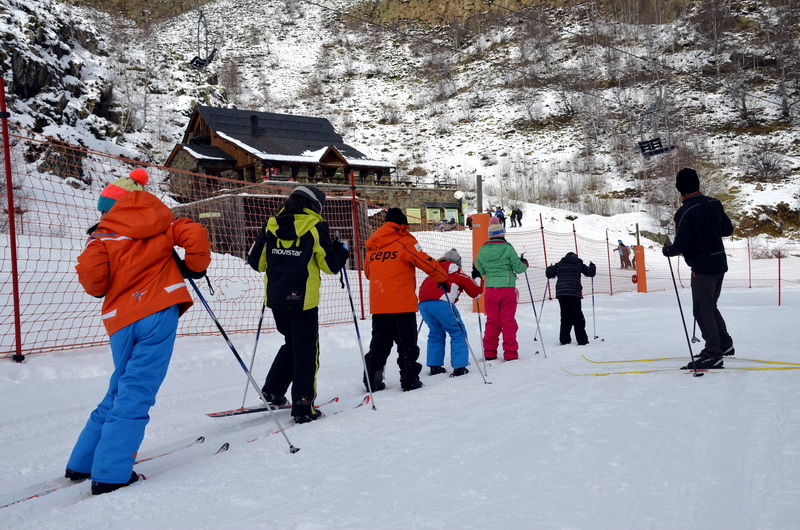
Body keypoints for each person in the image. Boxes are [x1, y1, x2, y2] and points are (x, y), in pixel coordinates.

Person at [65, 169, 212, 495]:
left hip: (121, 320)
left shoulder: (101, 237)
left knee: (121, 387)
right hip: (159, 312)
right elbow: (196, 233)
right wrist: (194, 267)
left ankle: (82, 463)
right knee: (136, 390)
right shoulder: (164, 224)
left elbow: (93, 280)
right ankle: (111, 473)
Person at [247, 186, 349, 423]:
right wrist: (341, 250)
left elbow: (256, 262)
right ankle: (303, 406)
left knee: (292, 343)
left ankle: (273, 390)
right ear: (316, 205)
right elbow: (330, 266)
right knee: (306, 352)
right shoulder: (315, 226)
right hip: (303, 301)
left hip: (276, 298)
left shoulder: (272, 224)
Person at [363, 208, 448, 392]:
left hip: (379, 305)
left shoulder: (373, 246)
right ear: (402, 225)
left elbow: (369, 274)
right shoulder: (406, 242)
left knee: (379, 345)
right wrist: (442, 277)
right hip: (402, 304)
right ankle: (410, 381)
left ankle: (372, 380)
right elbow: (425, 261)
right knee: (407, 345)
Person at [663, 168, 734, 370]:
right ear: (697, 184)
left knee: (702, 310)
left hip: (703, 267)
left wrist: (667, 250)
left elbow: (680, 245)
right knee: (710, 307)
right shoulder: (714, 203)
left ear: (680, 189)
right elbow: (727, 230)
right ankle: (724, 344)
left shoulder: (685, 211)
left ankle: (713, 353)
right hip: (719, 263)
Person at [418, 248, 484, 376]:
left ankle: (435, 366)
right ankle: (459, 367)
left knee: (435, 332)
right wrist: (477, 277)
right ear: (458, 263)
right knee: (458, 332)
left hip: (424, 304)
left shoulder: (432, 272)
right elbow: (476, 293)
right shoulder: (457, 273)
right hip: (443, 303)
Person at [474, 217, 528, 361]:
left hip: (491, 289)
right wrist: (525, 263)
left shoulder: (482, 249)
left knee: (492, 321)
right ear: (502, 233)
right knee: (508, 321)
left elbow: (481, 270)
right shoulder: (507, 247)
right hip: (507, 288)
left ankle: (489, 352)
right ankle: (510, 353)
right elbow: (519, 268)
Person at [545, 252, 596, 345]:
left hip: (562, 293)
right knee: (577, 316)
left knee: (565, 316)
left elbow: (549, 274)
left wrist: (549, 268)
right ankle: (582, 340)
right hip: (574, 292)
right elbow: (591, 273)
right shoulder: (578, 263)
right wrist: (592, 266)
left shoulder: (559, 264)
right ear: (575, 257)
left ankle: (564, 340)